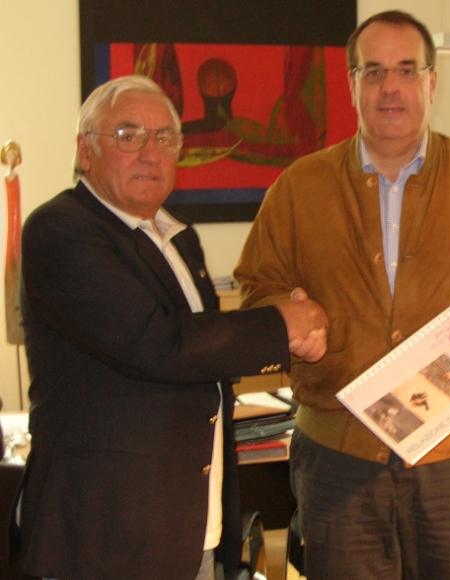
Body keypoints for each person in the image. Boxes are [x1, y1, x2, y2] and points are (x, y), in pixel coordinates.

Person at [234, 10, 450, 580]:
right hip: (339, 458)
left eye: (407, 70)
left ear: (432, 83)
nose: (390, 87)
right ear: (352, 84)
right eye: (374, 71)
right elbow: (256, 287)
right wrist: (288, 321)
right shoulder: (298, 188)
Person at [14, 75, 328, 580]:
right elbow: (157, 344)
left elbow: (206, 354)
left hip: (186, 527)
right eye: (128, 135)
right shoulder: (60, 230)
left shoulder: (178, 237)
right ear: (85, 151)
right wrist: (279, 325)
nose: (150, 152)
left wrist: (282, 324)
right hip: (104, 538)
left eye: (165, 138)